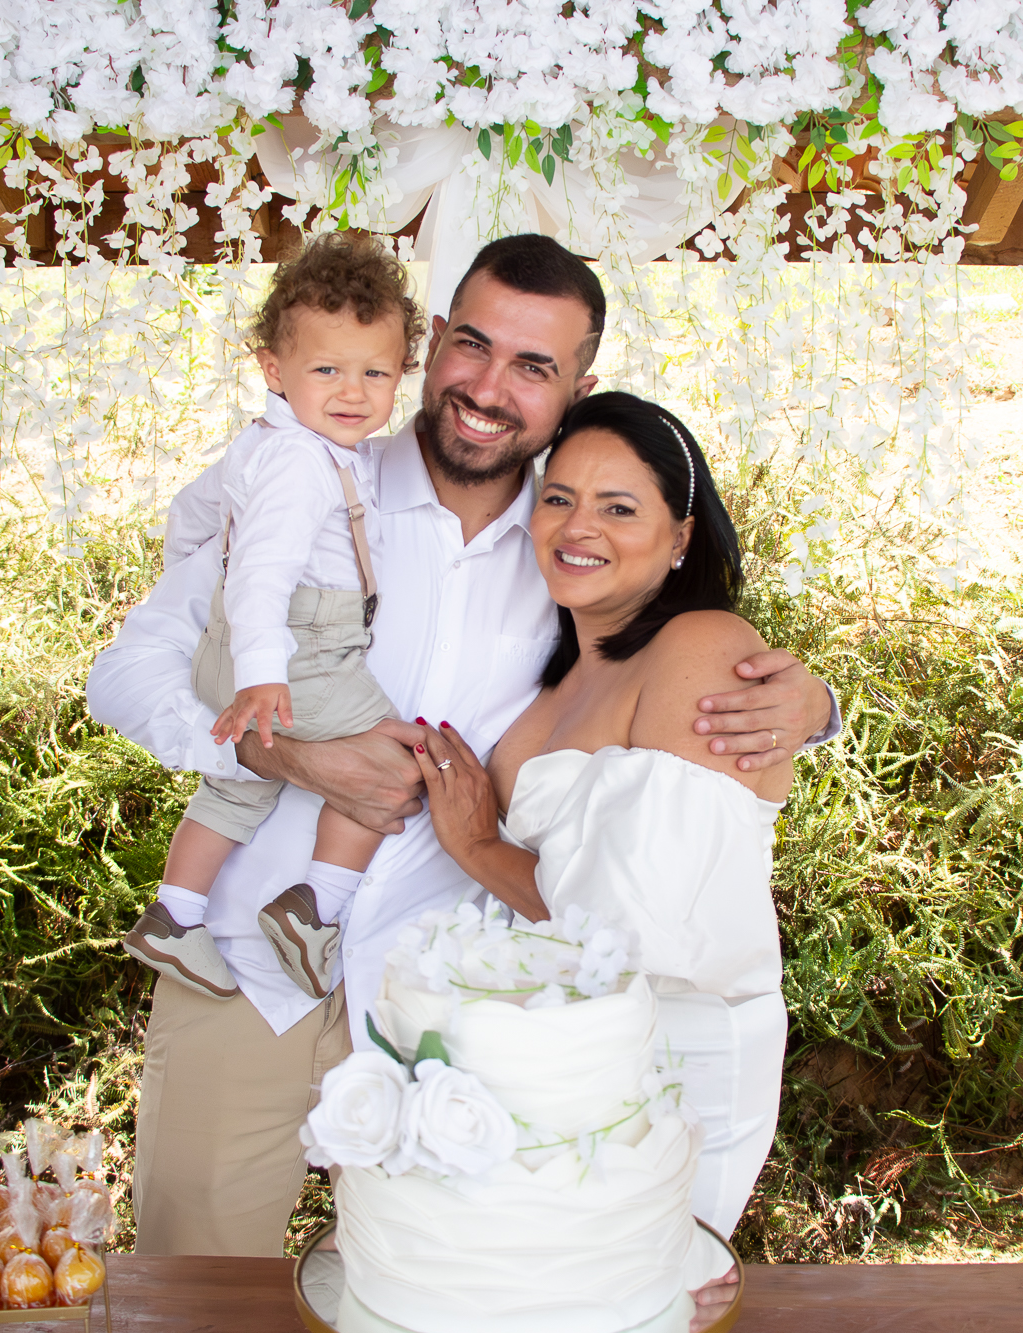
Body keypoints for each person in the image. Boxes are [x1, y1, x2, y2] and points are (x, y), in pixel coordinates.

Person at [86, 233, 836, 1258]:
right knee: (197, 1285)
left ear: (578, 385)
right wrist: (282, 757)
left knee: (433, 1299)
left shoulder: (569, 540)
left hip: (453, 998)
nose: (489, 386)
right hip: (247, 956)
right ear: (430, 343)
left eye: (533, 366)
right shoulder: (304, 480)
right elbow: (126, 676)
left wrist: (813, 706)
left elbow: (665, 680)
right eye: (472, 345)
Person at [408, 390, 788, 1241]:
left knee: (629, 1300)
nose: (579, 528)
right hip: (556, 1039)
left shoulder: (700, 647)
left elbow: (628, 922)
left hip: (670, 1045)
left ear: (682, 534)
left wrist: (474, 844)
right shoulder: (560, 672)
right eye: (559, 498)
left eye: (619, 507)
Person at [119, 234, 422, 1003]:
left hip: (241, 643)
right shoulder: (299, 462)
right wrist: (260, 673)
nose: (352, 391)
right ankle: (315, 909)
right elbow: (262, 575)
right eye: (327, 369)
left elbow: (191, 513)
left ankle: (177, 913)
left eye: (375, 372)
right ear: (273, 369)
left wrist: (205, 593)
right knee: (396, 759)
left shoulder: (271, 444)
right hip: (293, 650)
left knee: (238, 787)